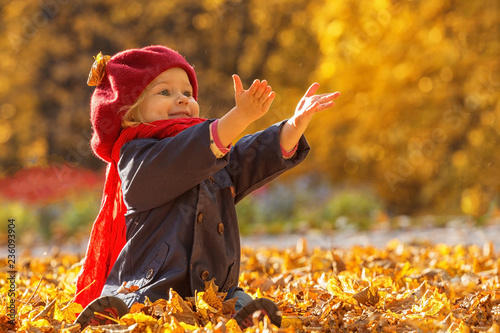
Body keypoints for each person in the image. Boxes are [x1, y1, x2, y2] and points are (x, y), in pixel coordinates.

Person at [74, 45, 340, 329]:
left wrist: (294, 126)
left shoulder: (212, 151)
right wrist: (238, 117)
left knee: (235, 301)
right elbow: (181, 159)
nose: (181, 100)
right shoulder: (136, 155)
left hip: (214, 285)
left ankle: (243, 318)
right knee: (141, 306)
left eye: (187, 93)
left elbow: (248, 157)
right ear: (129, 113)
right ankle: (115, 314)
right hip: (154, 282)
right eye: (165, 92)